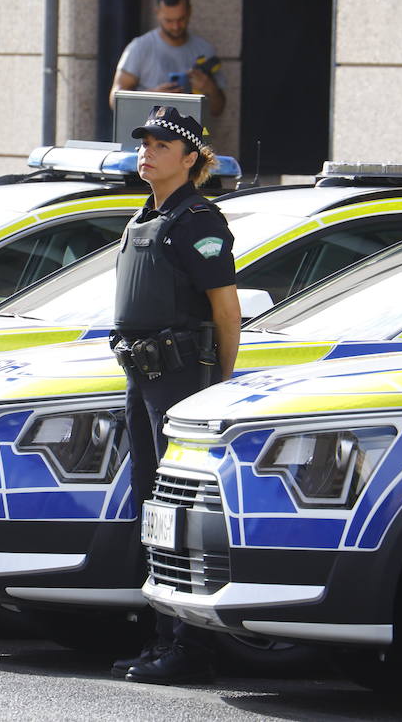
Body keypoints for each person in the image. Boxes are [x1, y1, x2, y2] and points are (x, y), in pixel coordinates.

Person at [111, 105, 240, 685]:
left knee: (184, 514)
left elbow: (225, 310)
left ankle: (192, 645)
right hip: (142, 379)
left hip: (182, 382)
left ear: (190, 159)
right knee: (153, 512)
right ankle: (162, 635)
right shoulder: (145, 216)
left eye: (162, 144)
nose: (148, 150)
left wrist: (220, 389)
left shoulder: (198, 220)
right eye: (145, 142)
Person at [109, 0, 226, 117]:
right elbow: (115, 100)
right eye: (169, 21)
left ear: (189, 11)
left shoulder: (205, 49)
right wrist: (152, 96)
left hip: (190, 135)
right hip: (148, 135)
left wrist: (210, 88)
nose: (176, 26)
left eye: (181, 19)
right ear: (157, 13)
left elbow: (219, 109)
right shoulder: (139, 47)